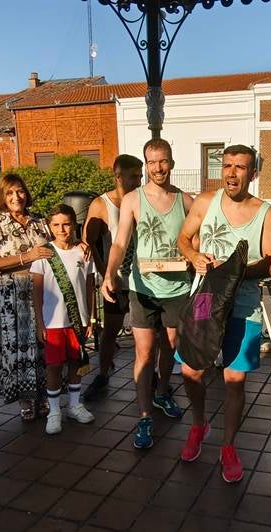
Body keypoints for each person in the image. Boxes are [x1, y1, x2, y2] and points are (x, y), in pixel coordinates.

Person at [176, 144, 271, 482]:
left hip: (243, 303)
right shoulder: (205, 202)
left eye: (240, 167)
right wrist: (193, 256)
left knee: (234, 381)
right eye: (227, 166)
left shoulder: (266, 213)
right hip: (205, 298)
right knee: (190, 370)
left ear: (253, 173)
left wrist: (234, 271)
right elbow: (183, 238)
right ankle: (198, 425)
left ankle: (228, 445)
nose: (232, 173)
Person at [102, 138, 193, 449]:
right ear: (146, 165)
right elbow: (120, 242)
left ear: (172, 162)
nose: (158, 167)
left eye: (163, 160)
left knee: (169, 347)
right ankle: (143, 417)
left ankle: (162, 392)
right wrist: (110, 272)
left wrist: (195, 257)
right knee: (144, 353)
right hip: (143, 288)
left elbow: (198, 238)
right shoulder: (133, 200)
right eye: (152, 162)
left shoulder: (186, 201)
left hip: (177, 288)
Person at [0, 173, 54, 421]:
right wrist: (27, 257)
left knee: (42, 344)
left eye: (20, 191)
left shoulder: (40, 222)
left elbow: (56, 248)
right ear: (2, 196)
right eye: (10, 192)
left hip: (40, 293)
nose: (16, 197)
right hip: (10, 298)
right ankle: (24, 399)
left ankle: (44, 396)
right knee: (17, 347)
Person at [82, 154, 144, 401]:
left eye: (140, 176)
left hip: (144, 280)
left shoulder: (144, 199)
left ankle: (150, 379)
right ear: (118, 176)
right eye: (133, 177)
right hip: (117, 280)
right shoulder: (102, 203)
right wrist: (105, 273)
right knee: (110, 331)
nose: (138, 181)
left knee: (146, 334)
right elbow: (88, 242)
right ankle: (103, 374)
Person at [31, 204, 97, 434]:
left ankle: (75, 405)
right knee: (54, 367)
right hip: (53, 321)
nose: (61, 229)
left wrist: (91, 318)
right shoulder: (43, 254)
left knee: (76, 363)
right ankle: (54, 411)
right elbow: (36, 292)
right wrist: (39, 323)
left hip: (77, 320)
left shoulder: (83, 252)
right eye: (56, 225)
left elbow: (89, 287)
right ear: (50, 226)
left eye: (66, 224)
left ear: (74, 225)